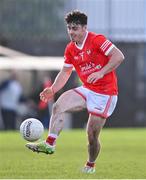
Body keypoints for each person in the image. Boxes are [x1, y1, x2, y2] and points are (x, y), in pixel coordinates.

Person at [26, 10, 124, 174]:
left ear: (84, 28)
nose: (71, 32)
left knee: (92, 136)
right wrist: (53, 89)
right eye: (69, 28)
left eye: (75, 28)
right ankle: (50, 144)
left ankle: (90, 165)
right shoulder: (70, 48)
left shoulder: (97, 40)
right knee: (59, 105)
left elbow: (119, 56)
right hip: (87, 89)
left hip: (105, 94)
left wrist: (101, 72)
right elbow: (65, 72)